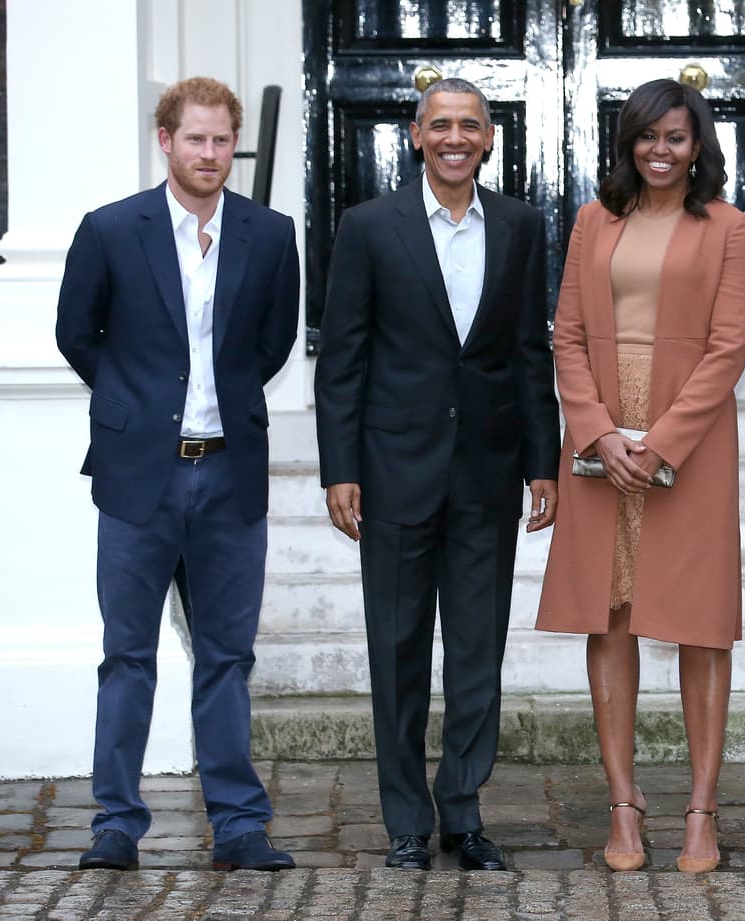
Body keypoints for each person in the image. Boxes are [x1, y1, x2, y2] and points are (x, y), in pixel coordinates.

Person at [314, 77, 560, 872]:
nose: (455, 137)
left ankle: (464, 808)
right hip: (392, 472)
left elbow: (529, 351)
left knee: (478, 654)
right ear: (417, 136)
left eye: (470, 126)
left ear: (489, 139)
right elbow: (343, 358)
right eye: (440, 125)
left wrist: (542, 463)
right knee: (397, 652)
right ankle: (406, 822)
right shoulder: (368, 227)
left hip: (487, 474)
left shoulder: (521, 225)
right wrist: (340, 467)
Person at [55, 76, 300, 872]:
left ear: (236, 145)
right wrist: (134, 402)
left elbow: (271, 345)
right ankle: (116, 823)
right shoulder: (110, 230)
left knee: (227, 656)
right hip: (138, 479)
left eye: (222, 140)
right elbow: (76, 332)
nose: (209, 153)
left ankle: (237, 823)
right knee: (128, 652)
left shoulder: (270, 234)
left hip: (229, 474)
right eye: (194, 138)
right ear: (165, 140)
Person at [536, 78, 745, 874]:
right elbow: (565, 335)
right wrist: (596, 429)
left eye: (675, 137)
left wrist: (660, 442)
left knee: (698, 621)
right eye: (646, 137)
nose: (659, 152)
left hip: (687, 439)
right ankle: (624, 808)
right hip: (600, 436)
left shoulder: (729, 228)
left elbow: (729, 346)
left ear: (698, 146)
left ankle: (701, 811)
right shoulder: (594, 221)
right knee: (611, 613)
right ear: (627, 143)